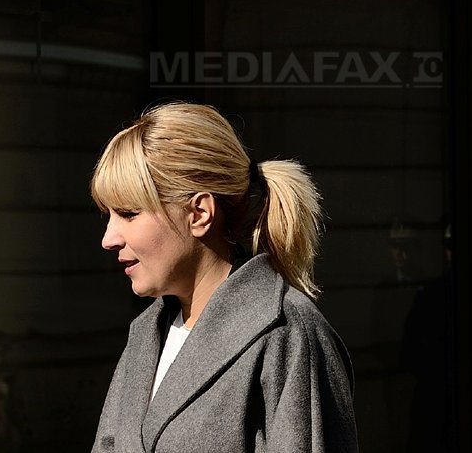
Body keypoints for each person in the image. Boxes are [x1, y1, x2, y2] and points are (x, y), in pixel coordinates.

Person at [89, 102, 358, 452]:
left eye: (128, 213)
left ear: (199, 213)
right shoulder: (146, 336)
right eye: (108, 215)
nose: (108, 238)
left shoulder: (286, 334)